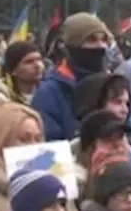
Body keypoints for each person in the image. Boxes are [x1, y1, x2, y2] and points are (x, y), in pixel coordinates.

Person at [32, 12, 112, 141]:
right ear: (73, 46)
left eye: (104, 39)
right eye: (91, 39)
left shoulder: (113, 85)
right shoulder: (50, 93)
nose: (101, 46)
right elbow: (48, 144)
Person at [0, 102, 46, 203]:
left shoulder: (49, 182)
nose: (33, 147)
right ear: (1, 141)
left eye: (37, 139)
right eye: (24, 139)